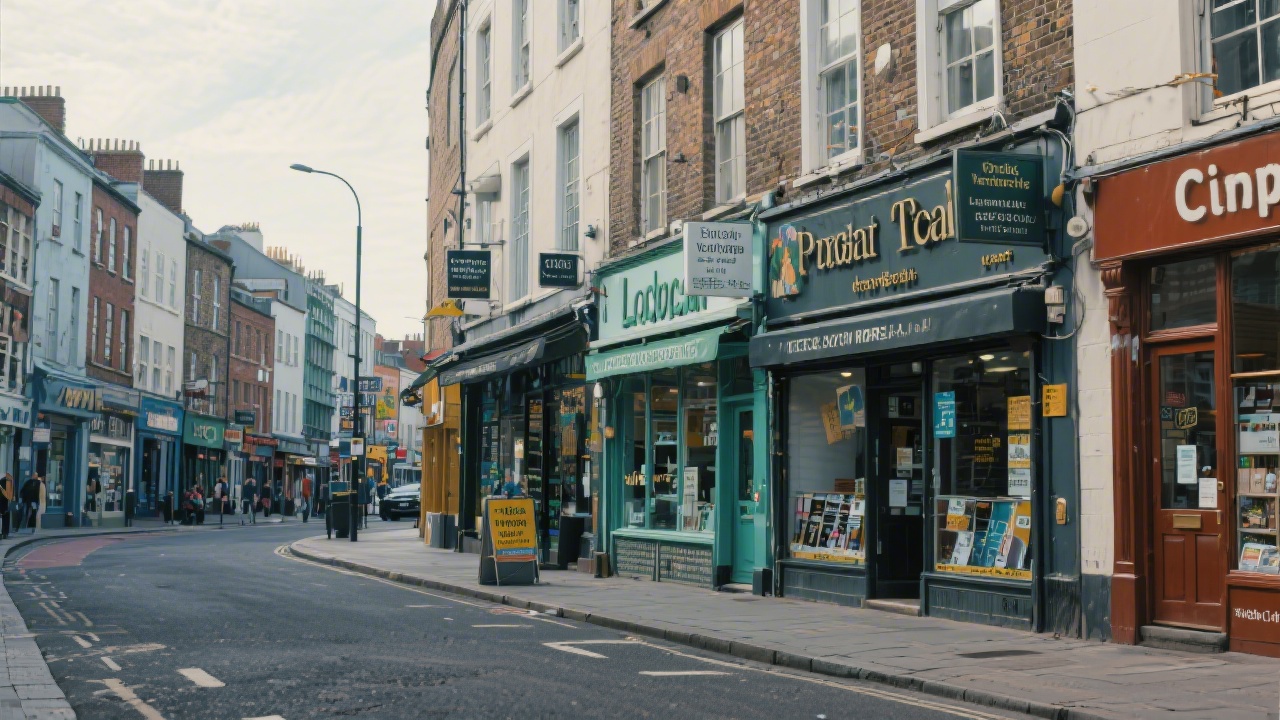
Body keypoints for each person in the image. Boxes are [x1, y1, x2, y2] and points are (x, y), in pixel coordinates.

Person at [0, 473, 13, 540]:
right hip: (5, 505)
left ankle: (3, 533)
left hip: (2, 504)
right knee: (5, 519)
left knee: (3, 518)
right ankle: (5, 532)